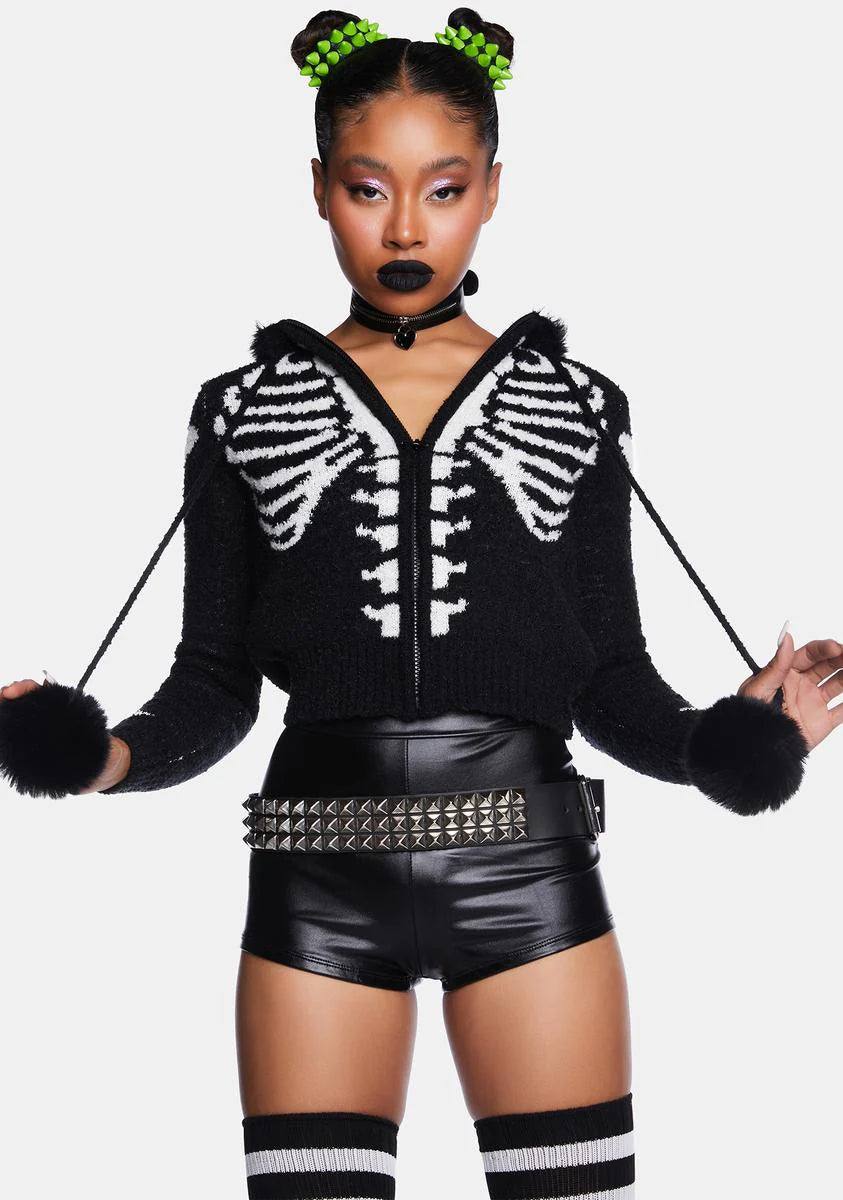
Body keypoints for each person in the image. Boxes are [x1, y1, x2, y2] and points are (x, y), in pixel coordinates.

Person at [2, 9, 840, 1199]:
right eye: (367, 188)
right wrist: (97, 760)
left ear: (493, 188)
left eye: (443, 190)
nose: (405, 227)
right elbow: (214, 680)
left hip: (530, 871)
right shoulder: (240, 411)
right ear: (317, 188)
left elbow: (609, 679)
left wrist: (734, 739)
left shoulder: (575, 405)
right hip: (313, 881)